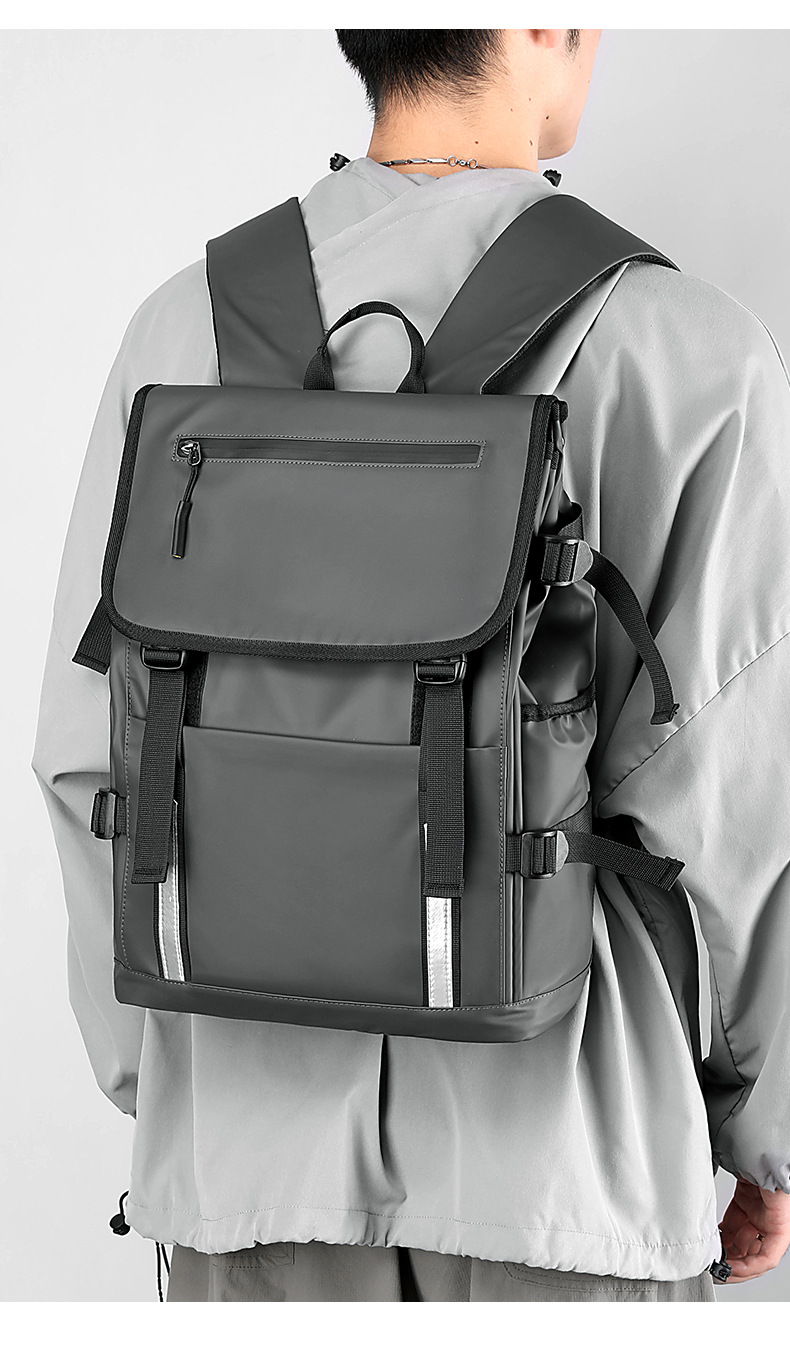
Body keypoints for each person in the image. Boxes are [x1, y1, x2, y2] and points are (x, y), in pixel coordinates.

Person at [33, 29, 790, 1303]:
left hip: (236, 1169)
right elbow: (732, 807)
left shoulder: (179, 326)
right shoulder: (684, 349)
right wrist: (759, 1129)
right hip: (565, 1176)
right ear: (542, 22)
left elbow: (85, 756)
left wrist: (158, 1078)